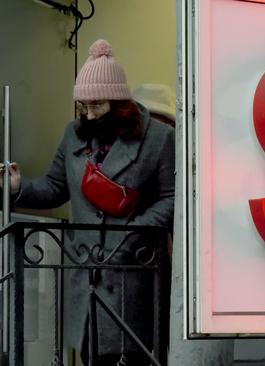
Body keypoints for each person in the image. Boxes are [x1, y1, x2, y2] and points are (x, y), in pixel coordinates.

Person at [1, 39, 174, 365]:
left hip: (134, 276)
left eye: (97, 105)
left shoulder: (160, 139)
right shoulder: (74, 135)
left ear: (118, 101)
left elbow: (172, 198)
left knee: (131, 356)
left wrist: (133, 231)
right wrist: (17, 188)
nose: (90, 115)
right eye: (83, 107)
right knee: (90, 354)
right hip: (86, 277)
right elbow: (54, 187)